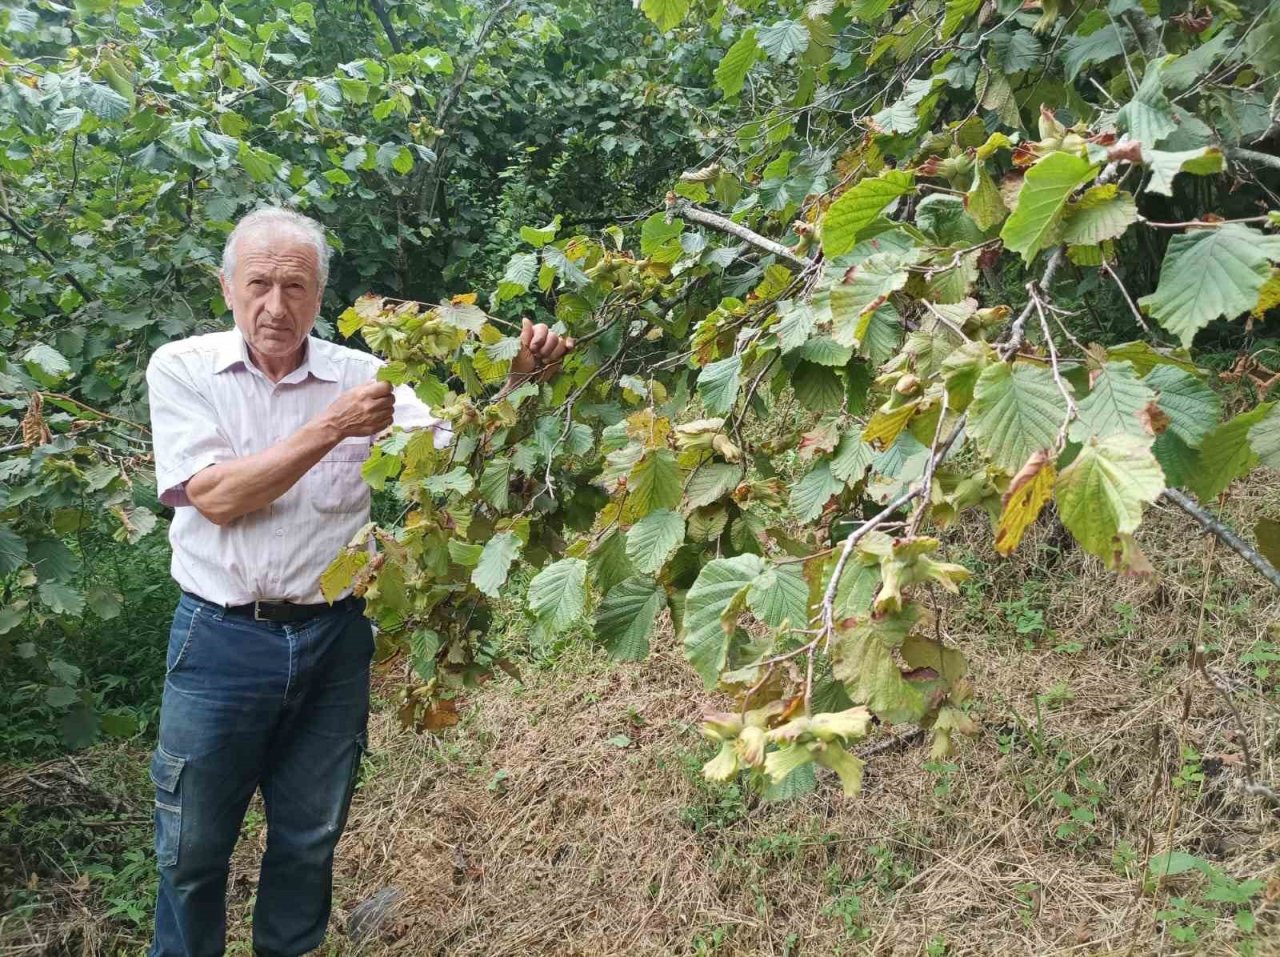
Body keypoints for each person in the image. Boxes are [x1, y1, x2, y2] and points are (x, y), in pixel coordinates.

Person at [143, 206, 572, 957]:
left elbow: (458, 452)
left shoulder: (363, 377)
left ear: (321, 297)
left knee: (309, 839)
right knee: (192, 851)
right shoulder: (184, 368)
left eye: (297, 287)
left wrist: (520, 382)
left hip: (333, 638)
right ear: (226, 287)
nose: (277, 307)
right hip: (219, 642)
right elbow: (215, 494)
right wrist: (331, 428)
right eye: (260, 284)